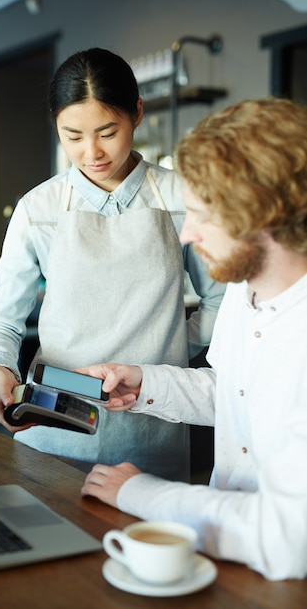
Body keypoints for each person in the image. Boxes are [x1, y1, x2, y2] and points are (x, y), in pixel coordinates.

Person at [80, 97, 307, 581]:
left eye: (202, 214)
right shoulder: (247, 289)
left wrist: (141, 493)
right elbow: (232, 390)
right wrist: (144, 383)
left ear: (261, 214)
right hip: (223, 558)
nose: (187, 234)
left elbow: (288, 540)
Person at [0, 47, 224, 480]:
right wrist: (0, 373)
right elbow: (3, 322)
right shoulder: (39, 207)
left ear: (137, 113)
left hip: (152, 426)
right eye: (72, 136)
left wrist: (167, 345)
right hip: (52, 423)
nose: (92, 152)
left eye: (107, 132)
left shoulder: (183, 197)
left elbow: (221, 300)